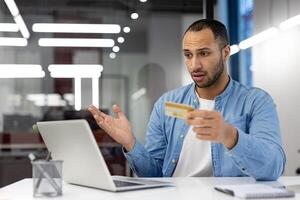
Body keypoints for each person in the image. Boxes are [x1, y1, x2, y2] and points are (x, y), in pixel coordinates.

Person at [88, 19, 285, 181]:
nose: (194, 65)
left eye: (204, 53)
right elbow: (153, 174)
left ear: (226, 52)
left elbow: (273, 168)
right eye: (188, 55)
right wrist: (131, 143)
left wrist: (230, 136)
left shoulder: (256, 101)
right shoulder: (168, 104)